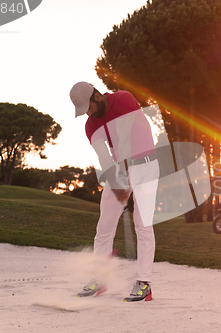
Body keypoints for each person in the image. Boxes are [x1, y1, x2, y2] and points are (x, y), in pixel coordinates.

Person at [69, 81, 159, 302]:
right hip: (119, 170)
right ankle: (100, 279)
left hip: (146, 167)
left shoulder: (124, 99)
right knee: (104, 227)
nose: (88, 114)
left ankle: (144, 284)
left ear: (96, 97)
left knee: (143, 226)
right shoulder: (91, 125)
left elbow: (129, 136)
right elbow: (103, 155)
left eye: (88, 107)